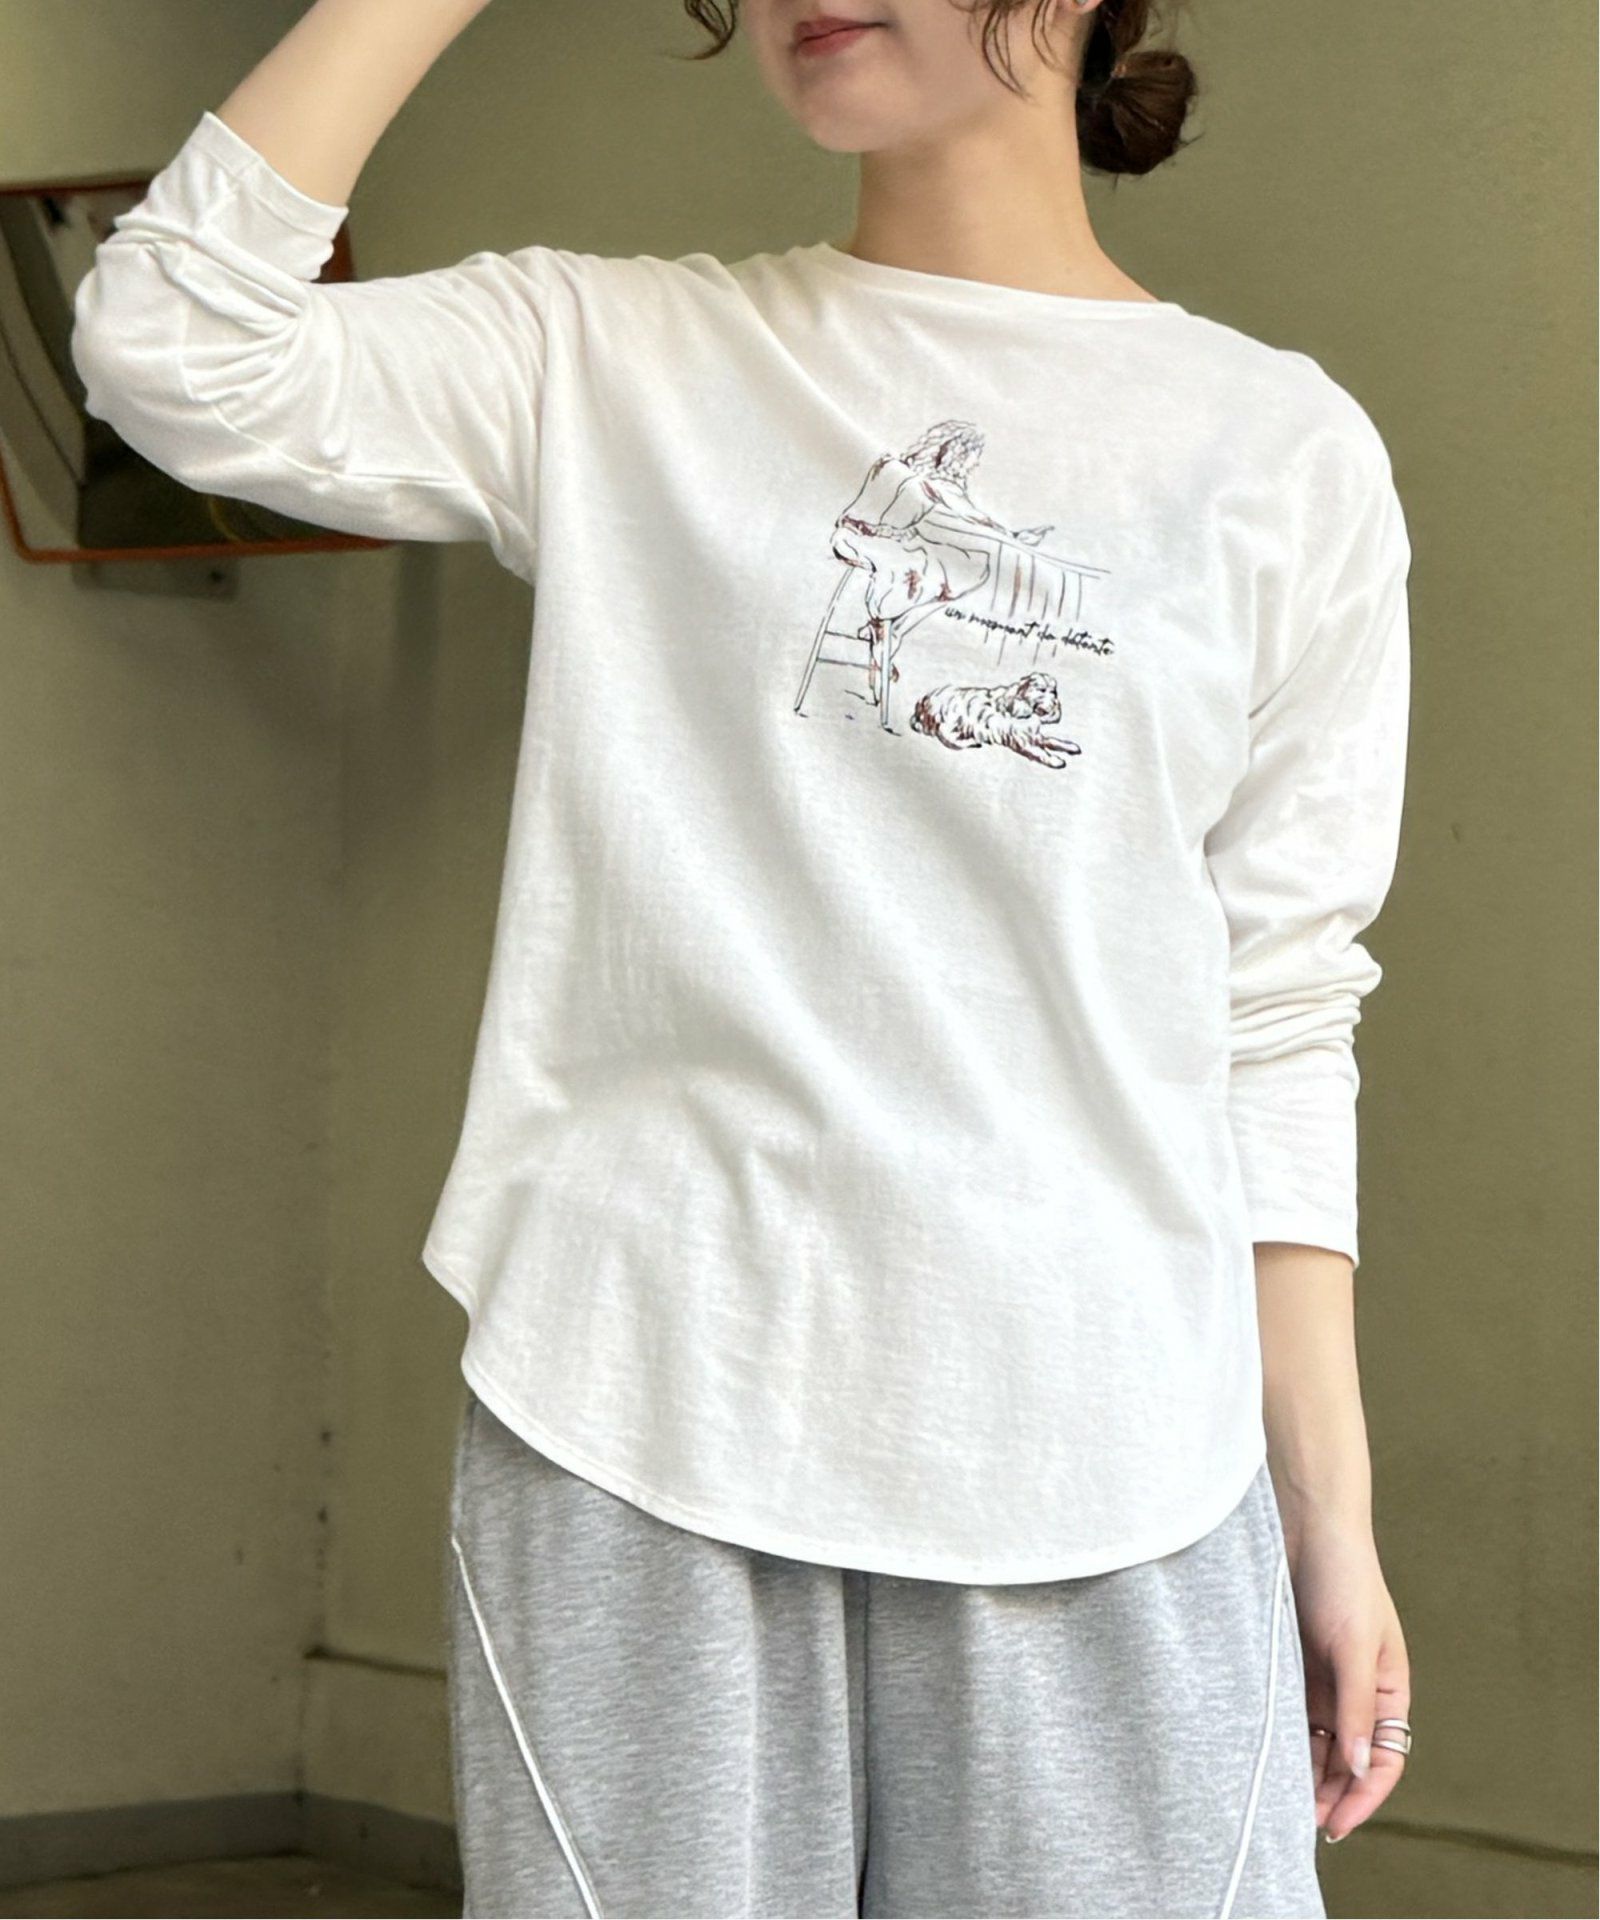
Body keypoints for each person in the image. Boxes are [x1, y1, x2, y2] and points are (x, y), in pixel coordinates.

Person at [69, 0, 1417, 1911]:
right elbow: (171, 343)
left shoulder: (1280, 451)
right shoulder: (615, 356)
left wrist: (1329, 1519)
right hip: (648, 1413)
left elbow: (1277, 1012)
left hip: (1117, 1448)